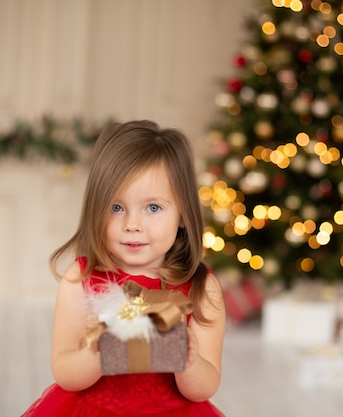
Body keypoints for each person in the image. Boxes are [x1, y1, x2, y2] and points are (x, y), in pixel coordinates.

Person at [21, 120, 226, 416]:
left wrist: (188, 359)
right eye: (116, 208)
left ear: (183, 214)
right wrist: (101, 352)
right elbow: (64, 371)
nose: (132, 225)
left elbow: (205, 387)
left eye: (153, 208)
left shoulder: (201, 287)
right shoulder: (81, 279)